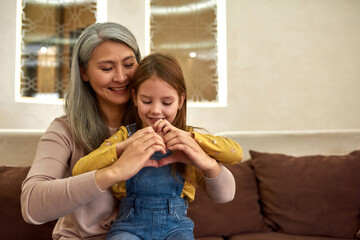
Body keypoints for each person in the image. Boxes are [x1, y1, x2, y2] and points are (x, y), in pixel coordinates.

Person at [20, 22, 242, 240]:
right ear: (84, 72)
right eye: (107, 68)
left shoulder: (156, 120)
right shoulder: (65, 130)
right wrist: (115, 171)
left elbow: (224, 194)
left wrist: (207, 161)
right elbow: (32, 206)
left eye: (128, 64)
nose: (121, 77)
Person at [72, 53, 243, 239]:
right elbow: (80, 170)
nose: (156, 110)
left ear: (181, 101)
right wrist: (123, 148)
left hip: (176, 227)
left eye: (167, 102)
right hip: (129, 226)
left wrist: (192, 139)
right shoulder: (124, 136)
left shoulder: (187, 138)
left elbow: (236, 154)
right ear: (135, 97)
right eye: (146, 101)